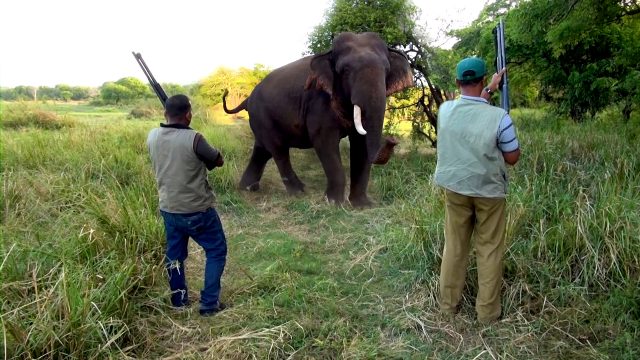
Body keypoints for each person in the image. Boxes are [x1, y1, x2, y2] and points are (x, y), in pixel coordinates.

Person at [434, 57, 520, 323]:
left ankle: (448, 307)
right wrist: (491, 91)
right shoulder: (500, 118)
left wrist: (491, 89)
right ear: (483, 79)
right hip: (489, 193)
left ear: (458, 82)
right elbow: (512, 157)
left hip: (455, 189)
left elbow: (472, 105)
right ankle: (487, 314)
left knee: (455, 247)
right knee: (489, 249)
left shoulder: (445, 110)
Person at [147, 94, 227, 316]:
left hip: (169, 209)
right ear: (188, 115)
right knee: (216, 250)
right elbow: (218, 160)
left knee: (174, 257)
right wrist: (196, 140)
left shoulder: (152, 136)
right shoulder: (195, 138)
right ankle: (209, 304)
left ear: (165, 114)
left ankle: (179, 301)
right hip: (197, 210)